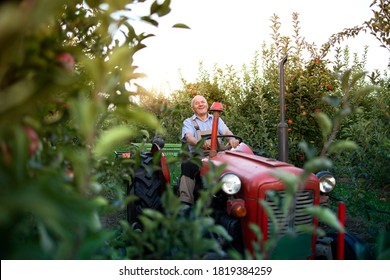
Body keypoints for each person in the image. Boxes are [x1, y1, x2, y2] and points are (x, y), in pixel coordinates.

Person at [178, 95, 239, 207]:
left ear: (207, 105)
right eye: (197, 103)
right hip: (199, 157)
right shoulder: (189, 122)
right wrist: (200, 143)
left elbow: (225, 131)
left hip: (218, 156)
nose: (201, 104)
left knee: (235, 167)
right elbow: (188, 137)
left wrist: (232, 139)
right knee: (188, 165)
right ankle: (185, 202)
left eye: (203, 102)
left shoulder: (216, 119)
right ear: (193, 108)